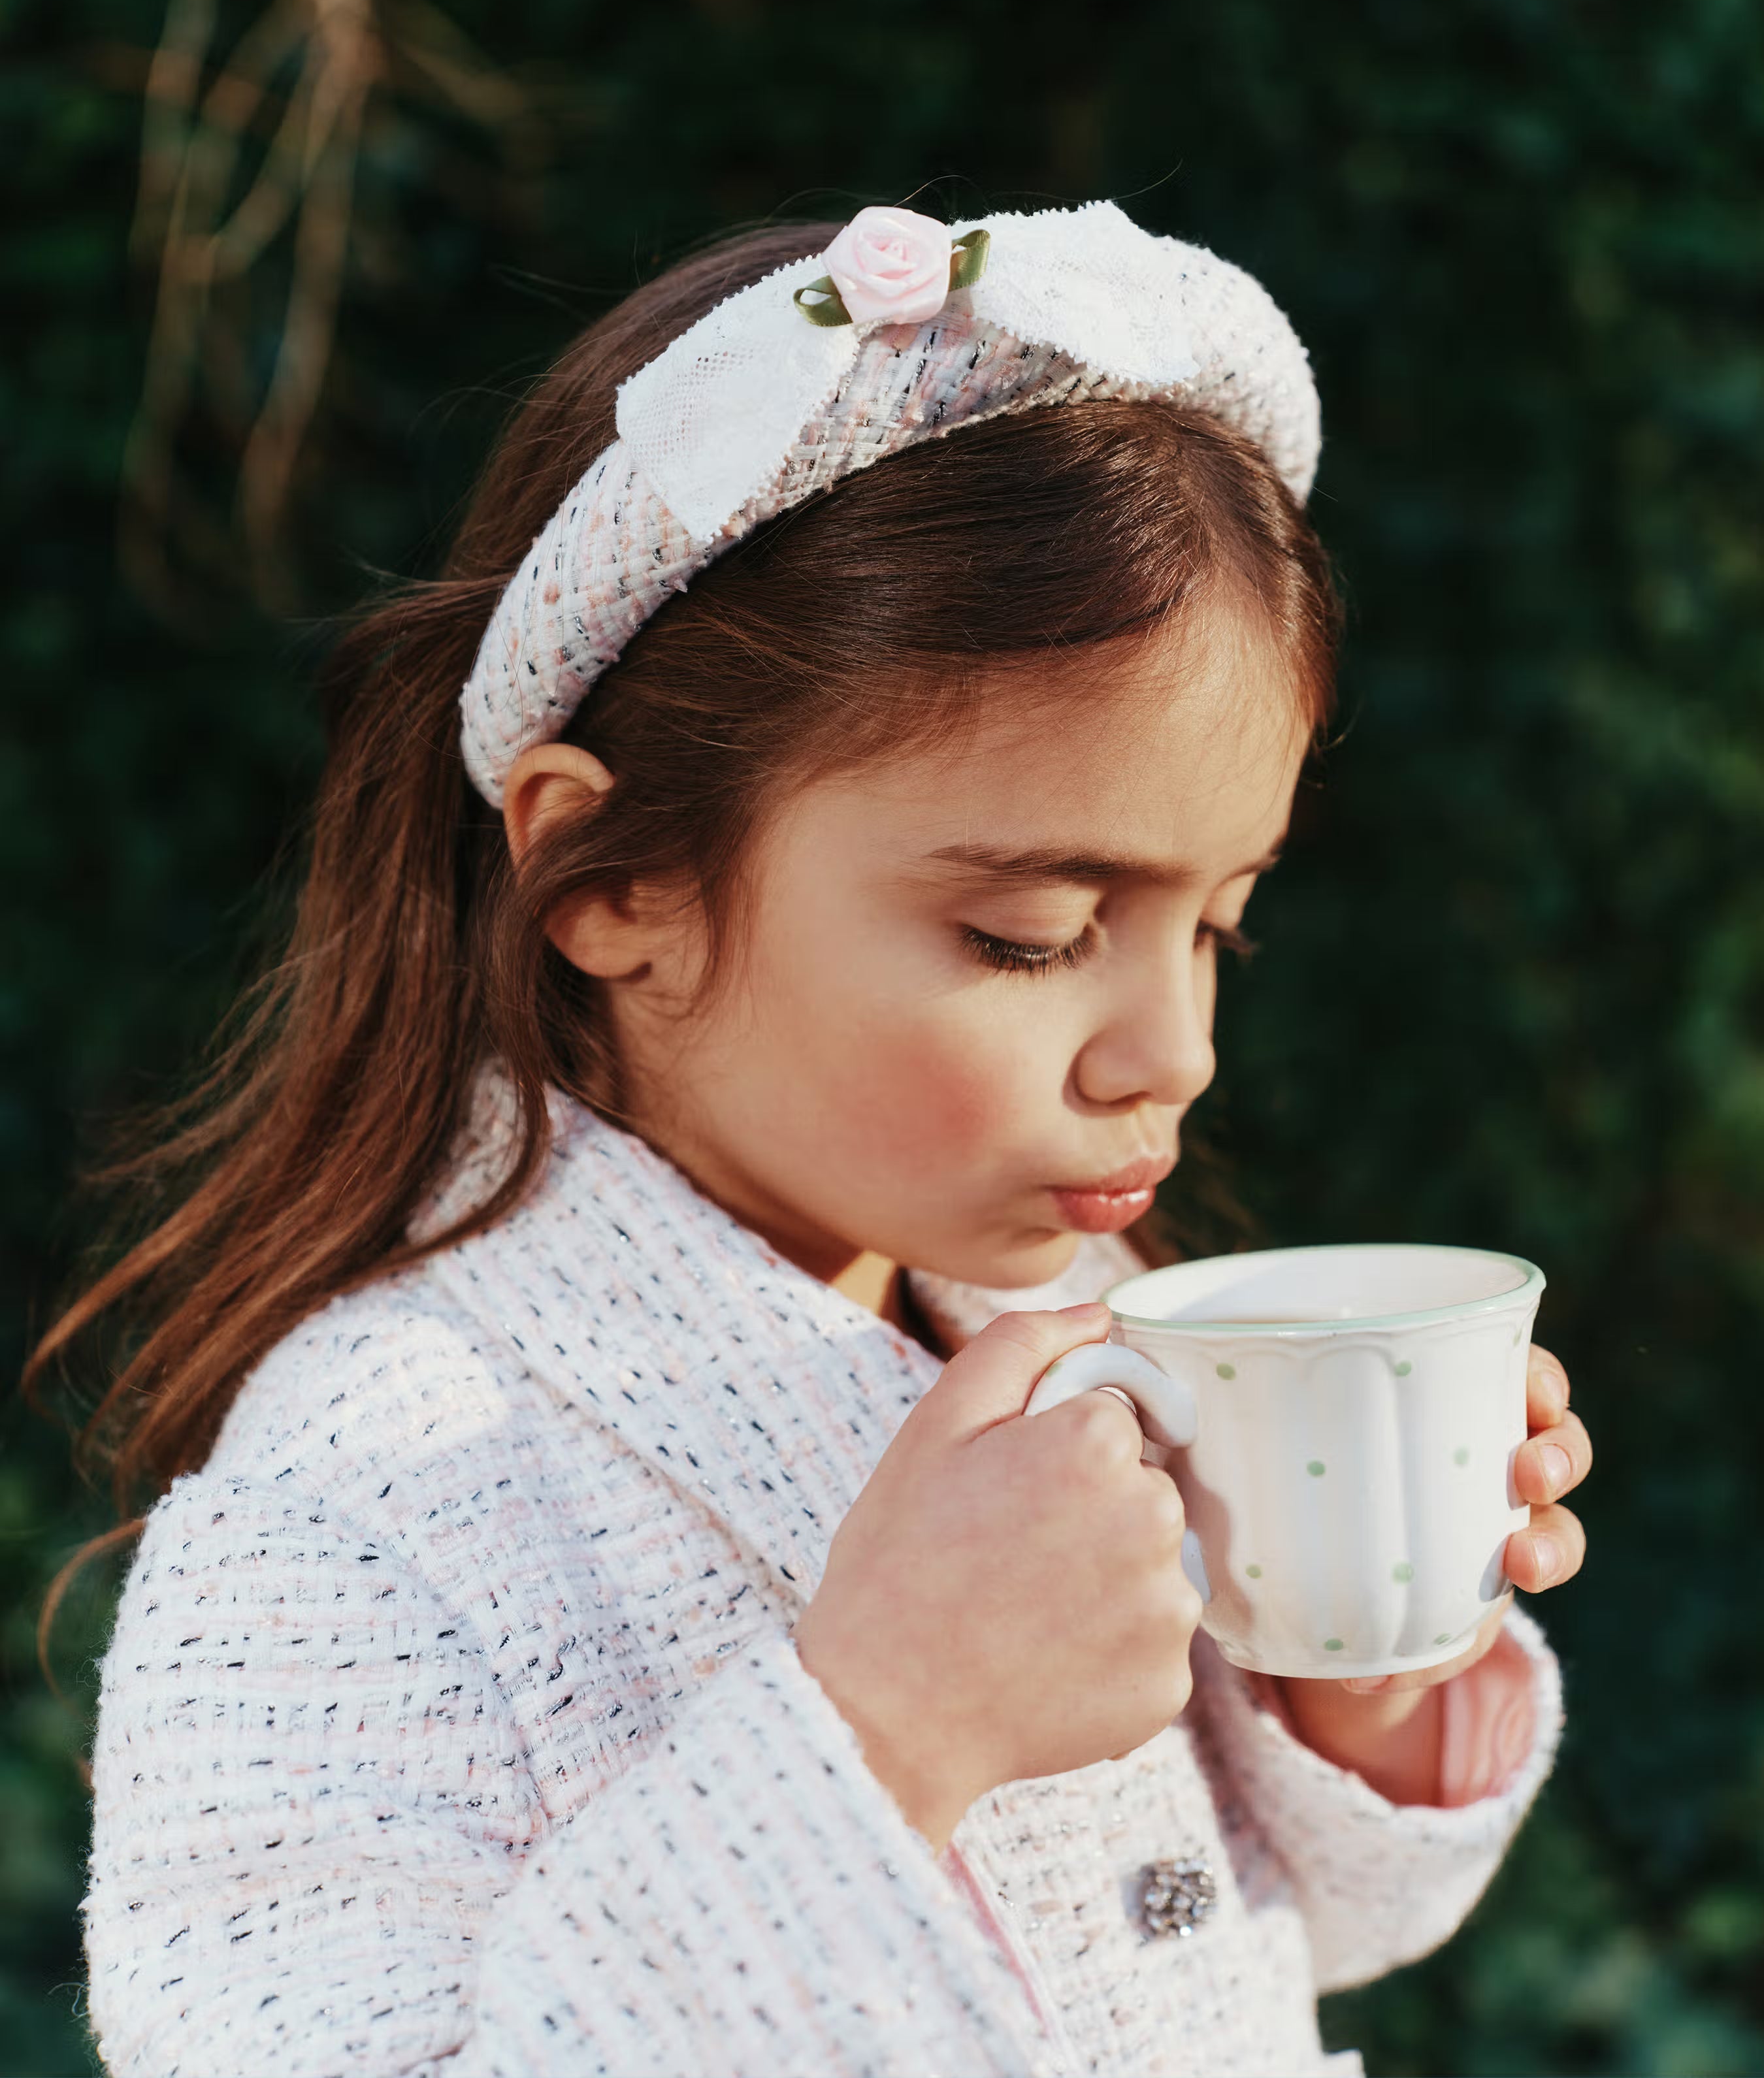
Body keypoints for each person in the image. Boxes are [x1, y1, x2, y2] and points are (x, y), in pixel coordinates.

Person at [56, 201, 1592, 2077]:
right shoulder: (362, 1508)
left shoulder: (1081, 1320)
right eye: (1025, 934)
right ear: (604, 879)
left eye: (1217, 923)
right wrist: (877, 1733)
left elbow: (1285, 1923)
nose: (1172, 1051)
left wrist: (1363, 1658)